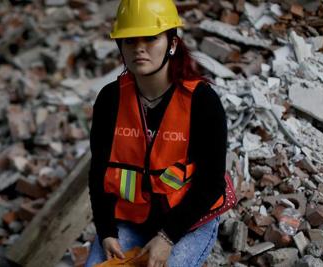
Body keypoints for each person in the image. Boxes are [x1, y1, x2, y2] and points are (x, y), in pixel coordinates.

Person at [85, 0, 228, 266]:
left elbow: (211, 184)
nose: (139, 48)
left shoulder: (202, 102)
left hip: (188, 223)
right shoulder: (110, 100)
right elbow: (98, 173)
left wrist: (167, 237)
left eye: (150, 38)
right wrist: (106, 232)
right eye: (129, 40)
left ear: (172, 44)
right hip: (130, 219)